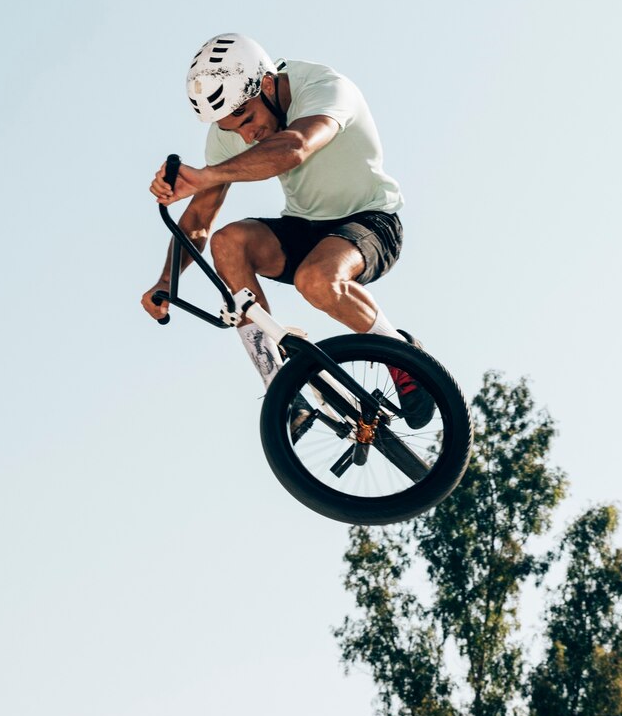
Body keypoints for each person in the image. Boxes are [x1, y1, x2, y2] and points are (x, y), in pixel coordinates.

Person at [142, 33, 433, 435]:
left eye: (247, 120)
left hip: (371, 220)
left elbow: (294, 147)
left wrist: (207, 174)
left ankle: (402, 357)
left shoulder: (327, 89)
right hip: (304, 227)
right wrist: (165, 281)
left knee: (315, 280)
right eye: (232, 128)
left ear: (265, 84)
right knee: (229, 243)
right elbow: (200, 216)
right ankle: (280, 388)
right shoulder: (232, 123)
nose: (245, 136)